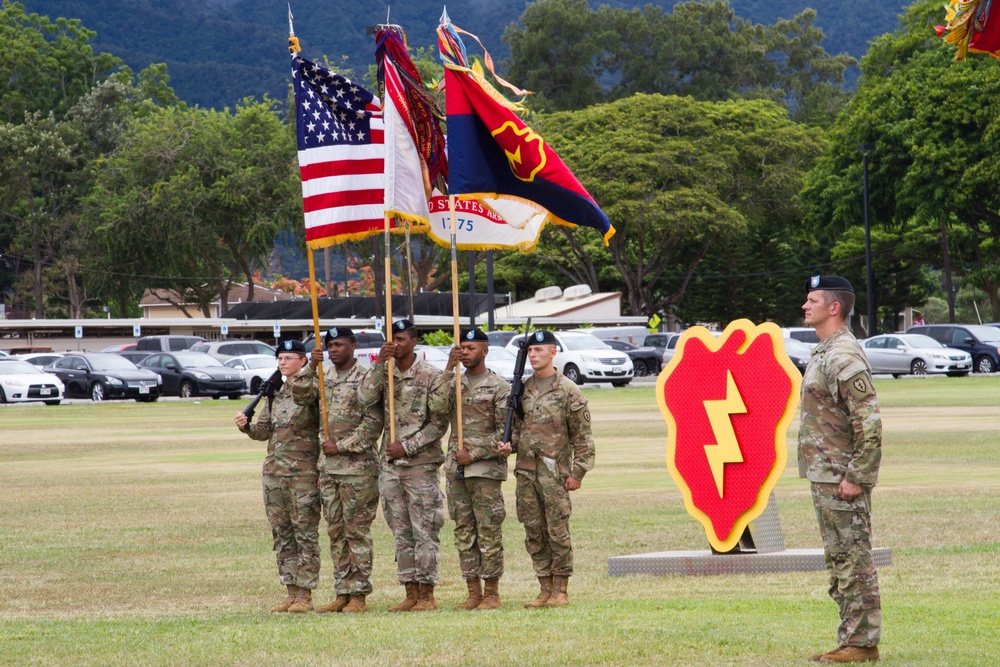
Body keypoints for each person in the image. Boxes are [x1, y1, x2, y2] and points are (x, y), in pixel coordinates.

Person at [800, 276, 883, 664]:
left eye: (812, 299)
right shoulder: (824, 351)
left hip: (841, 477)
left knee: (854, 559)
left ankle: (863, 643)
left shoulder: (843, 355)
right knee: (840, 560)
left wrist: (857, 475)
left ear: (834, 307)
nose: (805, 305)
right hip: (825, 475)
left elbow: (869, 422)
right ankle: (852, 639)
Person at [358, 319, 450, 612]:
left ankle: (427, 594)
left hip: (419, 465)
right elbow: (364, 399)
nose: (395, 344)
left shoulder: (430, 376)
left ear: (414, 341)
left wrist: (407, 446)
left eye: (400, 339)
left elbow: (439, 421)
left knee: (425, 529)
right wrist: (378, 364)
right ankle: (410, 591)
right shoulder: (384, 373)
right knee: (401, 532)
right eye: (391, 339)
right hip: (391, 468)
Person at [498, 330, 595, 608]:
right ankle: (544, 587)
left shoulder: (567, 390)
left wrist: (578, 473)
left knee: (557, 531)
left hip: (555, 474)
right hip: (526, 473)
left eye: (539, 350)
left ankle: (561, 589)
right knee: (533, 531)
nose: (533, 355)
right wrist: (508, 446)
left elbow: (583, 437)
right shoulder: (522, 390)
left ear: (553, 352)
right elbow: (517, 431)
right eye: (530, 351)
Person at [233, 339, 321, 613]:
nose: (282, 362)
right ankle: (290, 591)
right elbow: (265, 430)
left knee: (304, 534)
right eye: (280, 358)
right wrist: (247, 427)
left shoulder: (312, 389)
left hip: (303, 473)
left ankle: (305, 595)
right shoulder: (275, 392)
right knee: (282, 534)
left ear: (303, 361)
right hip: (274, 473)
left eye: (288, 358)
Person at [306, 327, 384, 614]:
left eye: (339, 344)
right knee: (335, 531)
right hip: (329, 470)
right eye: (329, 345)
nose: (333, 349)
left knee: (357, 531)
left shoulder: (366, 379)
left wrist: (342, 446)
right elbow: (303, 399)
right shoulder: (322, 377)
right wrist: (308, 367)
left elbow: (373, 423)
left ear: (353, 345)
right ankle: (342, 591)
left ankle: (359, 594)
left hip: (357, 469)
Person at [442, 329, 511, 611]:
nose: (466, 352)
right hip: (456, 470)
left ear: (485, 351)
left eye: (471, 348)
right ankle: (472, 590)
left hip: (484, 471)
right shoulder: (453, 383)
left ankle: (491, 591)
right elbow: (436, 406)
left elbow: (507, 434)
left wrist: (474, 453)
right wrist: (449, 367)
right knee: (463, 530)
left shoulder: (498, 387)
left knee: (488, 532)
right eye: (462, 348)